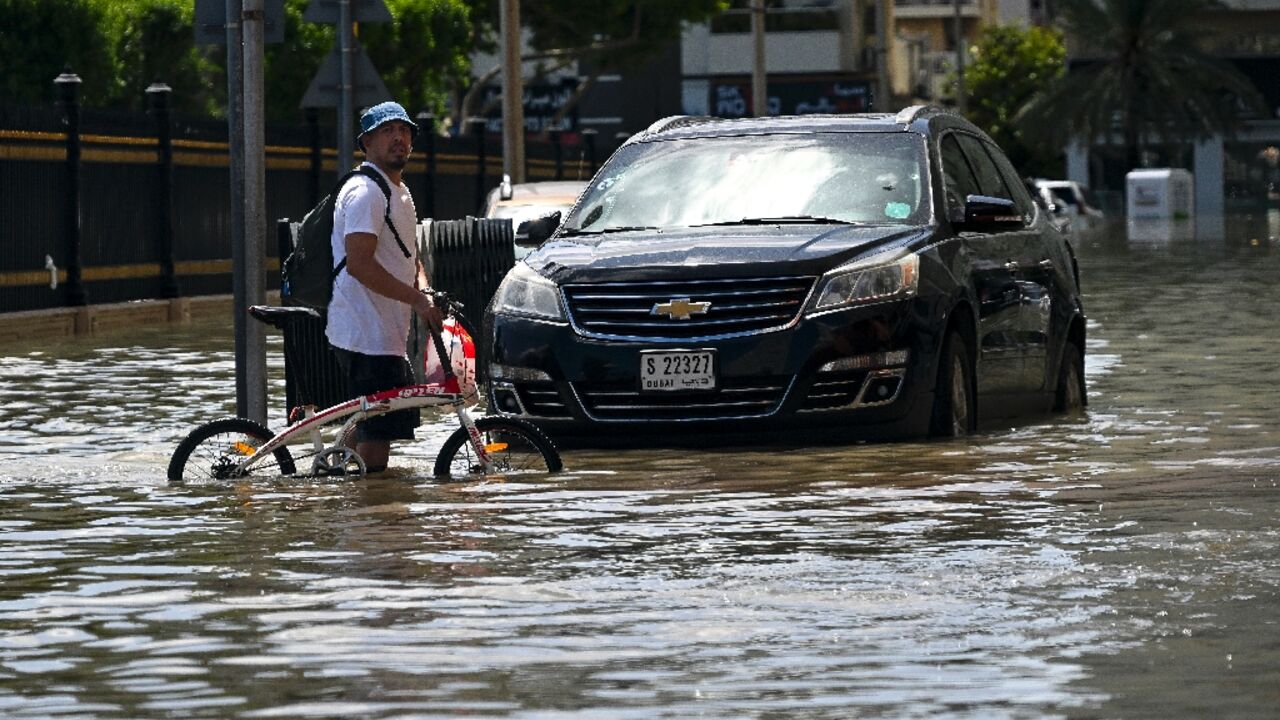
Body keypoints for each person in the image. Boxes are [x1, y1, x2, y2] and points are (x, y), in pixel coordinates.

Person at [326, 101, 442, 473]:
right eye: (388, 131)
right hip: (364, 332)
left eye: (405, 131)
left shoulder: (400, 193)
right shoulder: (366, 193)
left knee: (369, 422)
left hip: (385, 334)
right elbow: (360, 264)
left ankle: (330, 476)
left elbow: (410, 257)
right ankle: (373, 522)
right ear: (367, 143)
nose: (399, 138)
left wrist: (424, 291)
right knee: (377, 444)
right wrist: (417, 301)